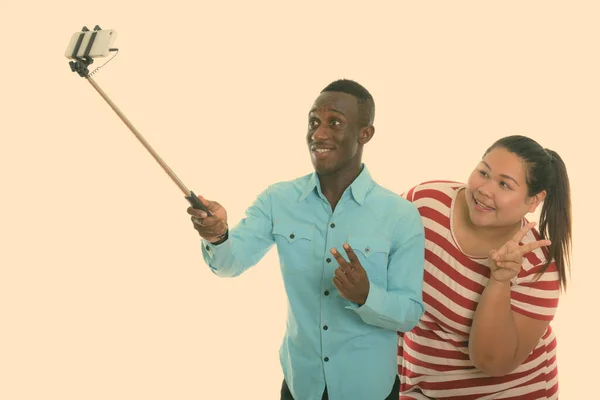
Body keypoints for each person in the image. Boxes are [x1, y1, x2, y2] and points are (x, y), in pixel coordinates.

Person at [187, 79, 426, 400]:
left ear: (365, 134)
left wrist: (366, 296)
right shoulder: (278, 199)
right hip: (301, 386)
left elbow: (410, 313)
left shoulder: (400, 215)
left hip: (369, 389)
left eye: (335, 123)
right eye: (313, 122)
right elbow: (230, 263)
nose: (319, 134)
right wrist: (217, 235)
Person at [397, 135, 572, 399]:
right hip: (418, 386)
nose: (484, 189)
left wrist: (499, 281)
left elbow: (492, 362)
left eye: (504, 184)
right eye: (483, 172)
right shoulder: (425, 204)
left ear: (533, 201)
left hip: (508, 392)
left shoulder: (538, 269)